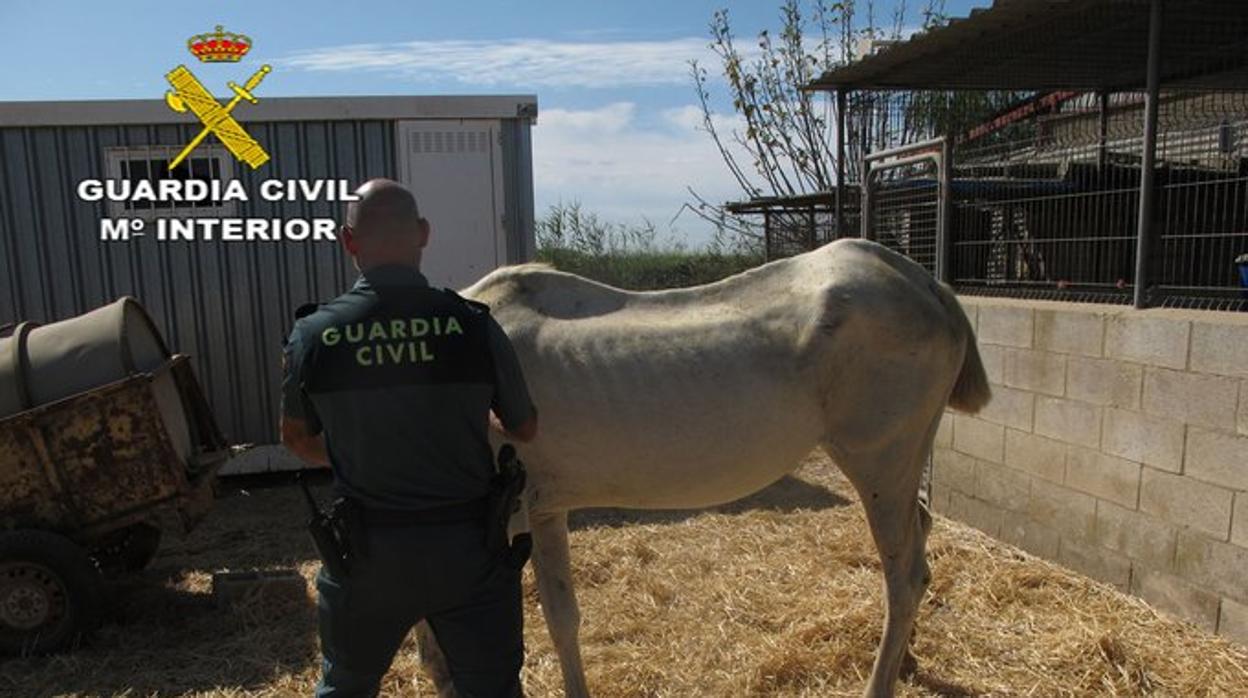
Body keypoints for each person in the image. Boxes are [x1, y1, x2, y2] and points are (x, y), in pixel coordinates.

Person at [279, 178, 538, 697]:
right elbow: (523, 428)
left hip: (367, 555)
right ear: (422, 234)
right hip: (469, 551)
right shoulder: (472, 326)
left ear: (348, 241)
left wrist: (360, 453)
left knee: (345, 686)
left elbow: (297, 440)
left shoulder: (314, 336)